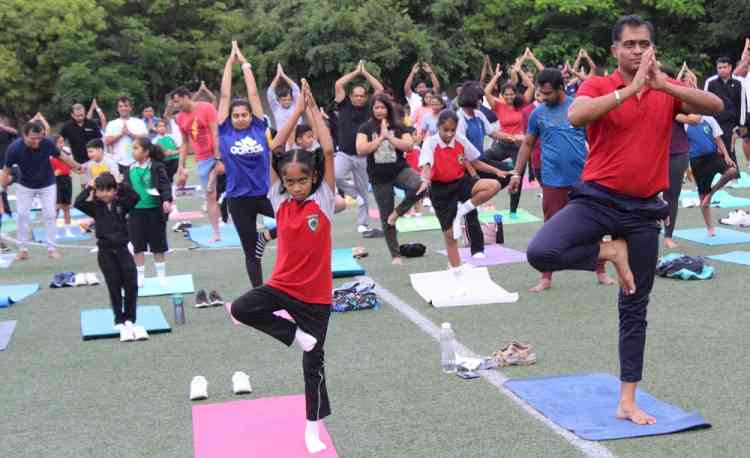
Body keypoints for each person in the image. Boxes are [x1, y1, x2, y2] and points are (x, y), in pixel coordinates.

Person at [526, 15, 723, 424]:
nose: (636, 50)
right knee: (542, 250)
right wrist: (629, 91)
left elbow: (715, 107)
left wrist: (661, 85)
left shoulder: (665, 88)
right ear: (614, 49)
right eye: (629, 44)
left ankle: (627, 401)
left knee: (635, 305)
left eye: (643, 44)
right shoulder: (599, 85)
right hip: (597, 199)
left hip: (643, 210)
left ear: (652, 49)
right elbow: (578, 116)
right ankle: (609, 252)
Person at [228, 77, 336, 456]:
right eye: (289, 182)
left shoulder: (323, 199)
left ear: (313, 179)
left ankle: (312, 428)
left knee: (314, 367)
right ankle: (293, 336)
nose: (295, 187)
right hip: (283, 287)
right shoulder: (278, 199)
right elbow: (273, 146)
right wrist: (293, 115)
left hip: (317, 297)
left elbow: (326, 147)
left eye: (301, 181)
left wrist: (312, 110)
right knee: (241, 308)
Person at [508, 68, 614, 292]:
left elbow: (598, 140)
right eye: (540, 93)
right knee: (550, 228)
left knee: (595, 226)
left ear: (560, 89)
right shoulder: (538, 113)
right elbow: (527, 143)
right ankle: (546, 277)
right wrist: (517, 173)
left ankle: (601, 271)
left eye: (547, 93)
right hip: (553, 180)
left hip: (584, 179)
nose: (543, 98)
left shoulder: (579, 108)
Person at [216, 41, 278, 287]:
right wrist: (229, 65)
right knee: (251, 252)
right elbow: (224, 96)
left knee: (294, 221)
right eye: (236, 115)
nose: (241, 118)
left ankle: (267, 235)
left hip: (264, 193)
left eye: (244, 114)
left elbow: (253, 94)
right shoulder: (224, 132)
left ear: (250, 115)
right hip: (238, 199)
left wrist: (245, 64)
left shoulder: (259, 126)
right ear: (230, 118)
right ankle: (258, 292)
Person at [419, 110, 507, 270]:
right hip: (440, 190)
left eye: (453, 130)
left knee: (494, 185)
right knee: (450, 236)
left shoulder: (460, 139)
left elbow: (476, 161)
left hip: (460, 183)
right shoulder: (430, 143)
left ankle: (462, 211)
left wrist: (496, 172)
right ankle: (456, 266)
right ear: (438, 127)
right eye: (445, 130)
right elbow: (426, 164)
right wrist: (425, 180)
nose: (449, 134)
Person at [75, 172, 147, 342]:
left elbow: (135, 196)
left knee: (131, 282)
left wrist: (120, 184)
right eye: (101, 190)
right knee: (113, 285)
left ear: (114, 191)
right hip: (105, 252)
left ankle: (130, 318)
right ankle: (119, 319)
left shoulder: (122, 203)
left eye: (109, 190)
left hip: (122, 249)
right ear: (97, 191)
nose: (105, 194)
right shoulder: (94, 206)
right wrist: (90, 187)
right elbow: (78, 203)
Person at [356, 93, 424, 264]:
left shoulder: (399, 126)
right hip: (379, 177)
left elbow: (409, 146)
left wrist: (389, 137)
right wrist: (380, 137)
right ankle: (395, 255)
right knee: (385, 217)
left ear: (388, 108)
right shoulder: (366, 128)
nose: (379, 111)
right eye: (376, 107)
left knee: (421, 184)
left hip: (399, 170)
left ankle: (398, 212)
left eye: (383, 107)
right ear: (372, 109)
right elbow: (361, 149)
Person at [0, 121, 82, 260]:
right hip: (25, 185)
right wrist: (1, 190)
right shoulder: (14, 148)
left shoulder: (47, 143)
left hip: (47, 183)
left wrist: (77, 167)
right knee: (22, 216)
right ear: (24, 136)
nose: (37, 141)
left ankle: (52, 248)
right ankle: (23, 250)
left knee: (50, 214)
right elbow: (6, 171)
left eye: (39, 137)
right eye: (33, 138)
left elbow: (61, 156)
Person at [334, 61, 384, 234]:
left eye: (362, 96)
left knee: (364, 190)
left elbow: (380, 90)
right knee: (334, 176)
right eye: (356, 95)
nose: (359, 98)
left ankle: (363, 224)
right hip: (344, 153)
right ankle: (354, 195)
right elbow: (338, 84)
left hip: (363, 155)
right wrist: (356, 72)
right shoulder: (343, 104)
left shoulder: (370, 107)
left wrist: (366, 74)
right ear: (351, 96)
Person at [172, 86, 222, 242]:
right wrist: (181, 165)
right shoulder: (180, 118)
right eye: (174, 103)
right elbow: (185, 143)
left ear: (187, 97)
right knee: (210, 196)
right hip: (202, 159)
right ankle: (216, 233)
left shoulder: (206, 108)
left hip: (219, 153)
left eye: (178, 101)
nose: (176, 105)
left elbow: (216, 132)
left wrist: (218, 158)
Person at [485, 63, 535, 216]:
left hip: (519, 146)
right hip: (503, 144)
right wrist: (496, 76)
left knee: (517, 176)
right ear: (502, 95)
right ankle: (505, 170)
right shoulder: (499, 106)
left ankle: (513, 211)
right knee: (483, 157)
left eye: (511, 94)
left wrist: (519, 71)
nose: (509, 97)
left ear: (515, 94)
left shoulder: (522, 104)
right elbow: (486, 91)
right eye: (506, 94)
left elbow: (531, 87)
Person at [123, 137, 172, 287]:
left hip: (154, 212)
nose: (133, 151)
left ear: (146, 152)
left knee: (158, 245)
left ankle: (161, 276)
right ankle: (140, 276)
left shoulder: (157, 167)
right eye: (133, 148)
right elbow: (125, 190)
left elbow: (164, 184)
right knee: (138, 246)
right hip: (136, 212)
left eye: (136, 148)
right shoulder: (130, 169)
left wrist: (166, 200)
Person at [686, 114, 738, 234]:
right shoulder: (685, 123)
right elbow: (684, 146)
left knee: (732, 171)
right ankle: (710, 227)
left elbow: (718, 139)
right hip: (697, 161)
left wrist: (726, 156)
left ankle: (711, 194)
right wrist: (687, 167)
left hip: (713, 157)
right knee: (702, 198)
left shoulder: (708, 119)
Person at [704, 57, 745, 166]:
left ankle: (733, 173)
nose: (722, 69)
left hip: (731, 122)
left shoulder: (738, 83)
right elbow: (705, 102)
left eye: (724, 67)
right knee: (713, 147)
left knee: (729, 147)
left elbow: (741, 104)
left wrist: (741, 124)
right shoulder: (711, 83)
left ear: (730, 67)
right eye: (719, 67)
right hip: (715, 120)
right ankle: (718, 173)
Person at [104, 96, 149, 174]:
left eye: (126, 106)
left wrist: (129, 134)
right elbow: (107, 141)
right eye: (121, 106)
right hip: (118, 162)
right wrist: (121, 134)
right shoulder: (112, 123)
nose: (123, 108)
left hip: (136, 161)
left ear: (130, 108)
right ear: (118, 109)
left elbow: (145, 139)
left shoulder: (138, 122)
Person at [267, 63, 301, 130]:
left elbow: (296, 89)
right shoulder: (276, 108)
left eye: (289, 99)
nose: (287, 102)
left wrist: (283, 75)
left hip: (297, 137)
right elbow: (270, 93)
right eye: (284, 100)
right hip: (284, 139)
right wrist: (277, 76)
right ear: (279, 100)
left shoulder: (295, 105)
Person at [51, 135, 74, 227]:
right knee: (57, 207)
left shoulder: (67, 152)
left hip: (66, 180)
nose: (62, 144)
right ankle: (52, 227)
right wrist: (53, 173)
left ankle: (67, 227)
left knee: (66, 207)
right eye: (59, 142)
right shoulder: (49, 154)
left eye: (63, 141)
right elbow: (44, 169)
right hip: (55, 181)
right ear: (54, 143)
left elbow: (72, 164)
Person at [153, 119, 180, 185]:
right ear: (156, 128)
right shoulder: (154, 141)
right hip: (163, 162)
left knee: (173, 176)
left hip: (174, 160)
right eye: (159, 126)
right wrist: (163, 154)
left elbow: (180, 149)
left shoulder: (172, 137)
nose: (162, 128)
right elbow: (154, 154)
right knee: (166, 178)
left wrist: (173, 152)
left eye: (164, 126)